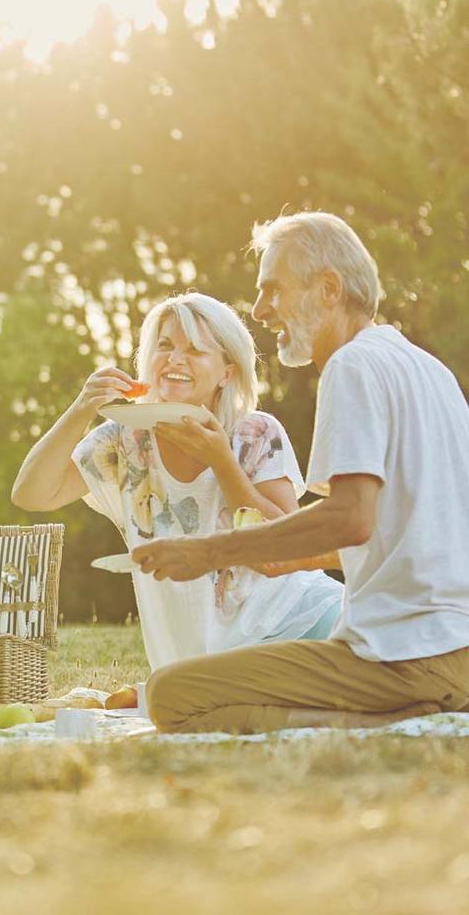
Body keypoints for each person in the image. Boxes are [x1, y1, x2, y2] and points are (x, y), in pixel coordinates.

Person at [134, 211, 469, 734]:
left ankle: (390, 719)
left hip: (402, 658)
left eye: (274, 290)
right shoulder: (430, 370)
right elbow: (396, 528)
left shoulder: (351, 365)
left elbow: (350, 519)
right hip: (456, 652)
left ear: (329, 288)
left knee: (171, 694)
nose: (262, 310)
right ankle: (403, 712)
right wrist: (281, 554)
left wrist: (207, 553)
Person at [11, 291, 341, 671]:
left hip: (298, 625)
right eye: (164, 345)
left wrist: (221, 461)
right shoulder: (124, 440)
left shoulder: (255, 433)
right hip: (197, 661)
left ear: (226, 373)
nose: (175, 359)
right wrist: (80, 409)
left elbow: (287, 550)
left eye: (197, 350)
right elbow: (31, 493)